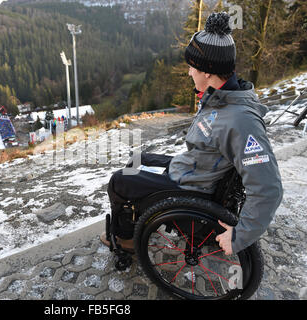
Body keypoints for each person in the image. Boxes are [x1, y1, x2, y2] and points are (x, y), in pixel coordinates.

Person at [101, 12, 283, 256]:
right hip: (192, 169)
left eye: (192, 67)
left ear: (207, 70)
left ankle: (125, 240)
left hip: (193, 187)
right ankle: (135, 218)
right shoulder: (222, 98)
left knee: (119, 181)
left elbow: (269, 187)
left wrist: (241, 235)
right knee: (137, 160)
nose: (189, 73)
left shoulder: (240, 120)